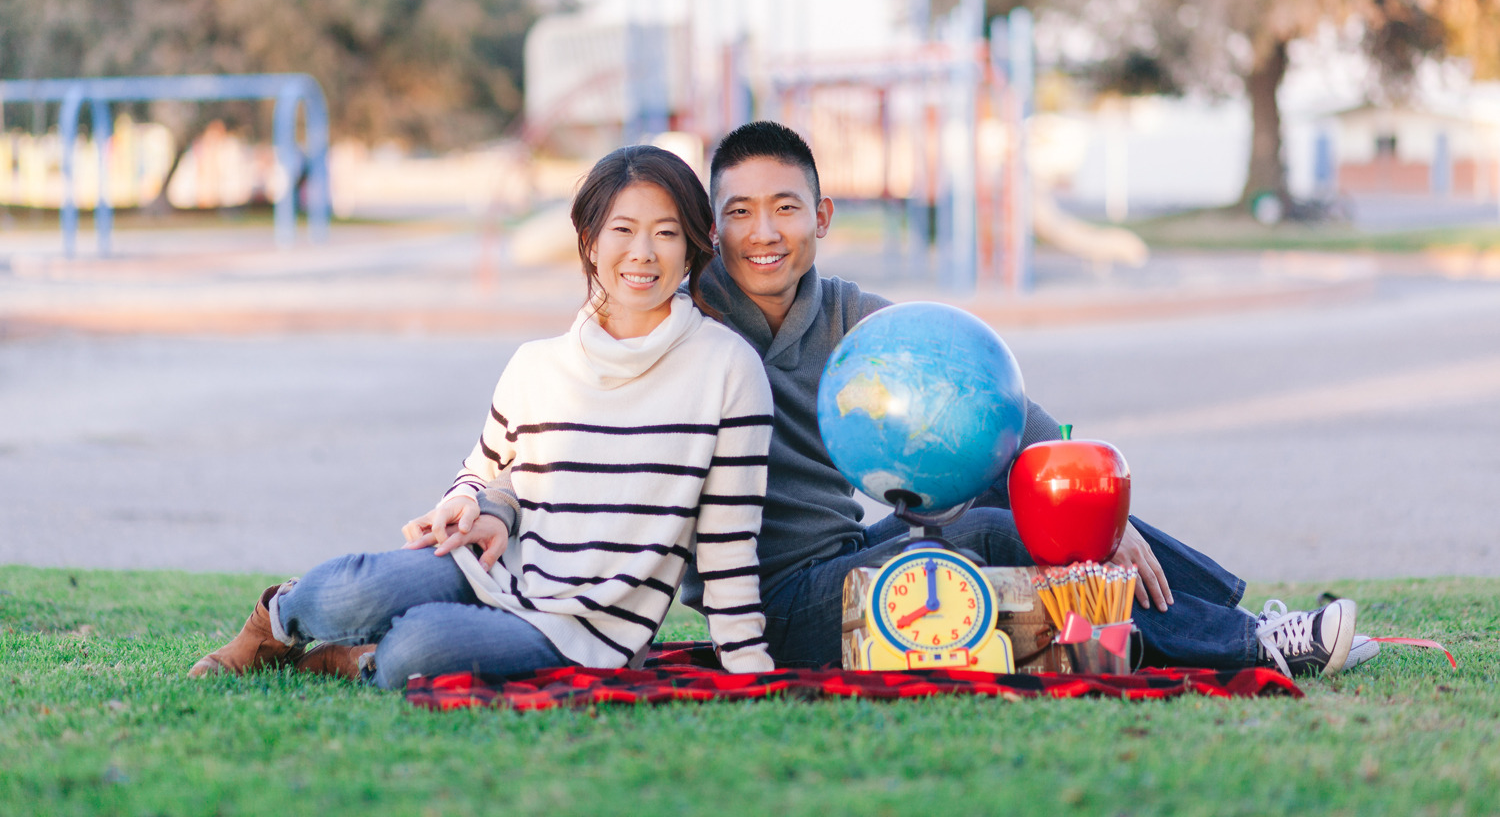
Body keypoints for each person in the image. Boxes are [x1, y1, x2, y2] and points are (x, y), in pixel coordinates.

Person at [682, 120, 1369, 679]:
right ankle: (1251, 645)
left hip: (842, 559)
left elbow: (988, 402)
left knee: (1015, 498)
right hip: (769, 607)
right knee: (985, 535)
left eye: (785, 208)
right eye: (740, 212)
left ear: (822, 217)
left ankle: (1240, 618)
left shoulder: (850, 315)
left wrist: (1099, 514)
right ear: (714, 227)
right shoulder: (692, 330)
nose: (763, 233)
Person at [189, 146, 776, 686]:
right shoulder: (538, 364)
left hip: (586, 631)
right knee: (351, 592)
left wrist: (747, 664)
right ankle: (272, 625)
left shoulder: (727, 370)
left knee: (419, 647)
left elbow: (727, 542)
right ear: (591, 241)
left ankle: (359, 659)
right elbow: (482, 471)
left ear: (692, 247)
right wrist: (466, 502)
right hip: (489, 567)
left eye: (666, 233)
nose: (643, 252)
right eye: (622, 229)